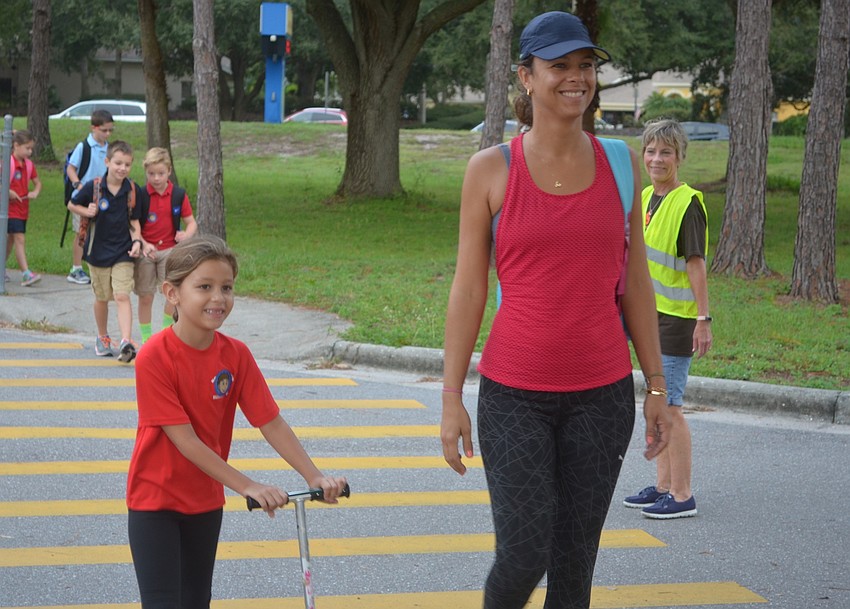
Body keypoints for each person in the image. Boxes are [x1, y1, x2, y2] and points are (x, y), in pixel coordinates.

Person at [440, 11, 672, 609]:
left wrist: (656, 387)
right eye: (559, 66)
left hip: (603, 394)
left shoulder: (620, 163)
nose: (577, 78)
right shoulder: (492, 169)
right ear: (526, 76)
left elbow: (636, 287)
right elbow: (468, 290)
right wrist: (450, 398)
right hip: (514, 395)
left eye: (586, 66)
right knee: (523, 554)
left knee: (574, 567)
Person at [126, 235, 348, 609]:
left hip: (204, 502)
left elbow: (270, 421)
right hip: (155, 502)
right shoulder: (155, 357)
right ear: (172, 293)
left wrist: (315, 476)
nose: (218, 298)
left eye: (226, 288)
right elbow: (185, 440)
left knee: (197, 601)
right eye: (205, 287)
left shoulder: (236, 355)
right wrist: (248, 485)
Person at [623, 119, 712, 519]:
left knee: (671, 407)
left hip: (676, 320)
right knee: (657, 402)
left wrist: (703, 318)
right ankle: (662, 486)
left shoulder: (687, 202)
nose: (657, 159)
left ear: (679, 157)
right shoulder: (644, 197)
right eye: (651, 151)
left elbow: (696, 264)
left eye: (666, 152)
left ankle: (682, 495)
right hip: (648, 317)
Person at [69, 140, 144, 362]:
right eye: (118, 163)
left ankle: (126, 341)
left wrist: (137, 241)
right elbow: (72, 204)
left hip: (123, 251)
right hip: (97, 251)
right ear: (107, 161)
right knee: (101, 297)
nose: (122, 168)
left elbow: (135, 221)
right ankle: (102, 337)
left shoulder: (132, 190)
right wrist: (86, 209)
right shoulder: (94, 186)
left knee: (122, 295)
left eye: (127, 164)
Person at [135, 147, 198, 343]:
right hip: (147, 252)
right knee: (145, 296)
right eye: (151, 174)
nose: (156, 178)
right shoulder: (141, 194)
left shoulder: (178, 195)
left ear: (169, 171)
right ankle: (146, 338)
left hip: (170, 250)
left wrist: (186, 235)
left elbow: (191, 221)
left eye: (161, 173)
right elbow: (133, 223)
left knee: (172, 294)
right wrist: (144, 244)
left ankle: (165, 333)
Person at [65, 109, 114, 285]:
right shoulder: (83, 147)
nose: (107, 134)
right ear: (94, 128)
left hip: (102, 197)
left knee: (99, 231)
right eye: (104, 130)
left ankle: (97, 265)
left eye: (110, 130)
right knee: (81, 232)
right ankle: (76, 268)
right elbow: (71, 168)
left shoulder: (109, 149)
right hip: (83, 197)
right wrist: (78, 184)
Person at [5, 130, 42, 286]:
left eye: (31, 148)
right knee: (19, 238)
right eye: (27, 148)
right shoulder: (6, 163)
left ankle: (1, 268)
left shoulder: (28, 165)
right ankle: (26, 273)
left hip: (22, 209)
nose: (30, 151)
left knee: (9, 241)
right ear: (16, 145)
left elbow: (38, 183)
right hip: (9, 209)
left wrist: (35, 192)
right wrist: (8, 191)